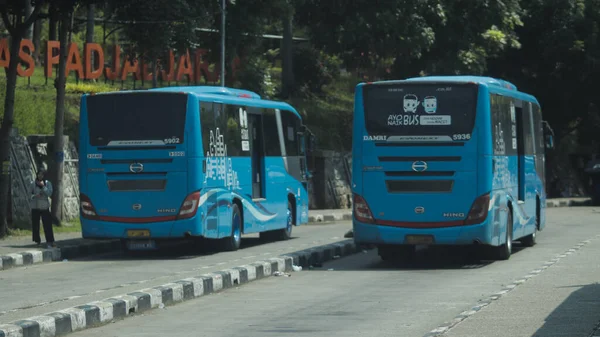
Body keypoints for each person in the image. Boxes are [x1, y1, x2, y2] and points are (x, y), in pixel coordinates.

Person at [30, 169, 56, 248]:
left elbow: (49, 193)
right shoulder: (33, 183)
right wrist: (34, 196)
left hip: (44, 206)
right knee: (35, 225)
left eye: (42, 174)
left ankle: (50, 240)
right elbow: (29, 194)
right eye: (39, 174)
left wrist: (43, 186)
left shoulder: (48, 183)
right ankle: (37, 240)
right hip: (35, 206)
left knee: (47, 225)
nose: (40, 176)